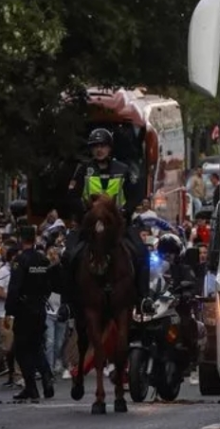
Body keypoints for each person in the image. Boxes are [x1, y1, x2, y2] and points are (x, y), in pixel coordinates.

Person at [59, 128, 154, 319]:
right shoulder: (83, 169)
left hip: (118, 225)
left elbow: (136, 194)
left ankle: (144, 298)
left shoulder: (123, 169)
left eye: (102, 146)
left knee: (143, 253)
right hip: (88, 224)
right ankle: (67, 304)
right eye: (95, 147)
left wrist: (126, 210)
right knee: (68, 256)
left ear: (110, 148)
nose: (99, 150)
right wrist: (87, 213)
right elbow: (72, 196)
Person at [6, 226, 55, 400]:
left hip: (24, 309)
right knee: (36, 346)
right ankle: (47, 376)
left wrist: (9, 311)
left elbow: (14, 287)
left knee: (21, 349)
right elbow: (49, 284)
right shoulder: (42, 260)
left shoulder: (20, 260)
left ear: (20, 239)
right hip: (39, 307)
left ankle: (31, 388)